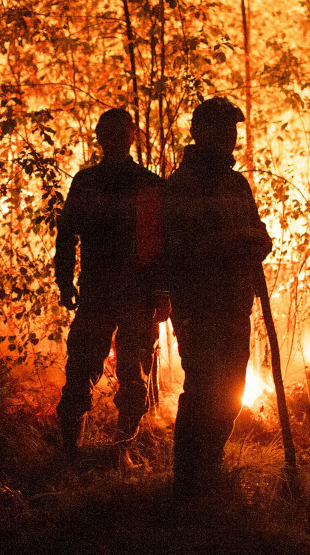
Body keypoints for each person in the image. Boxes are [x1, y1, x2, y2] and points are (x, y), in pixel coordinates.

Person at [164, 97, 272, 495]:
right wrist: (234, 241)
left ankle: (210, 465)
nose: (230, 138)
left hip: (234, 303)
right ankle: (188, 480)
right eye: (222, 129)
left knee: (230, 392)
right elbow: (177, 249)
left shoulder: (235, 183)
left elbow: (256, 230)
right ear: (199, 133)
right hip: (199, 305)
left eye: (232, 130)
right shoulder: (182, 186)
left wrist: (257, 240)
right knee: (204, 389)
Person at [54, 109, 169, 457]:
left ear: (130, 136)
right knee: (89, 369)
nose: (116, 140)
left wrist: (162, 292)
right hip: (112, 292)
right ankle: (96, 451)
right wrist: (63, 280)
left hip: (120, 293)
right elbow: (67, 234)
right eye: (111, 134)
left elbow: (161, 243)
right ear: (103, 137)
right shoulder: (135, 183)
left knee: (119, 373)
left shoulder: (134, 184)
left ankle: (115, 450)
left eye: (120, 134)